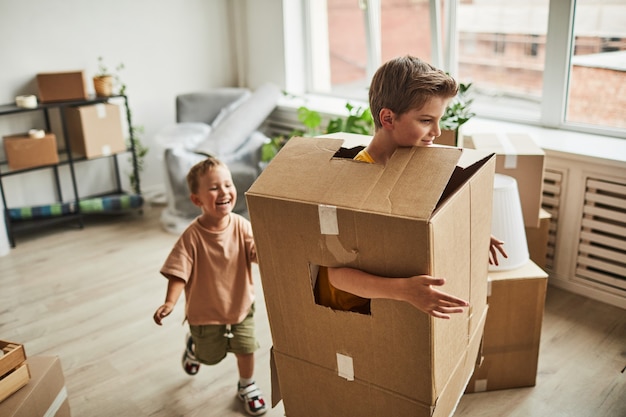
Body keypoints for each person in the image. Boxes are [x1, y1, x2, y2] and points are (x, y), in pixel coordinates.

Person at [315, 55, 507, 319]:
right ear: (388, 119)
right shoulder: (356, 178)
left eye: (439, 120)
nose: (437, 132)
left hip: (402, 305)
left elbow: (420, 224)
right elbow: (332, 274)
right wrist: (404, 290)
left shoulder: (421, 164)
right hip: (354, 309)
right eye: (426, 120)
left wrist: (467, 231)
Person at [153, 156, 267, 416]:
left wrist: (273, 256)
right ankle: (195, 348)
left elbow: (255, 253)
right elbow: (178, 272)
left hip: (241, 305)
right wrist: (170, 302)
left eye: (227, 184)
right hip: (205, 312)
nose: (224, 191)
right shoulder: (192, 236)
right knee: (210, 356)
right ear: (197, 200)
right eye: (214, 187)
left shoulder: (241, 225)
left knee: (246, 348)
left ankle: (247, 385)